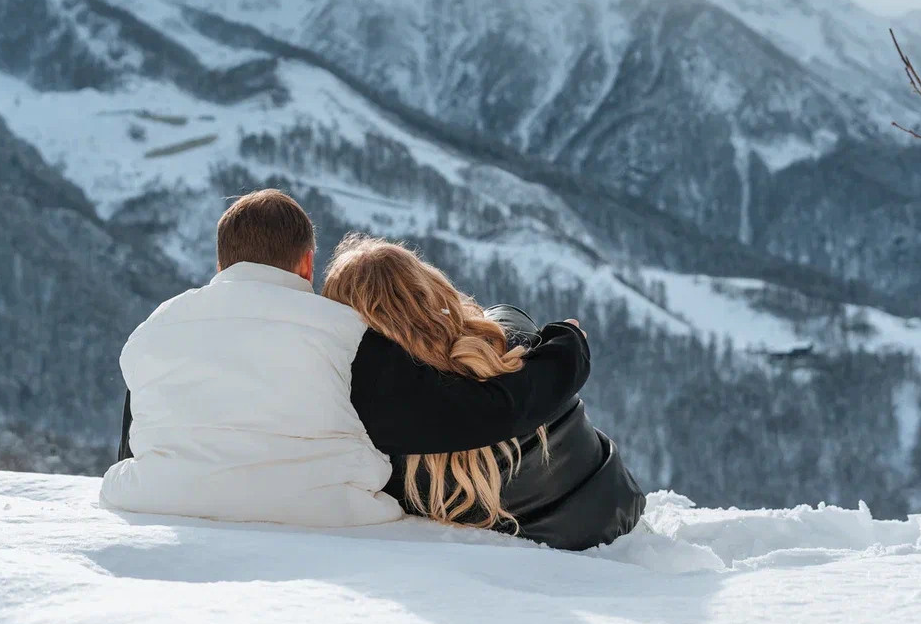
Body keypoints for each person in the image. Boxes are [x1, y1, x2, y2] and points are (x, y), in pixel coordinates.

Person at [101, 189, 589, 527]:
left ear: (222, 263)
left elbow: (135, 447)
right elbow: (480, 414)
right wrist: (567, 345)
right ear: (307, 263)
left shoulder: (154, 330)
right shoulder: (345, 337)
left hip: (158, 505)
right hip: (323, 518)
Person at [322, 234, 646, 550]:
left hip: (546, 546)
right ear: (428, 287)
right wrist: (567, 341)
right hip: (616, 502)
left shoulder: (375, 424)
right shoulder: (515, 341)